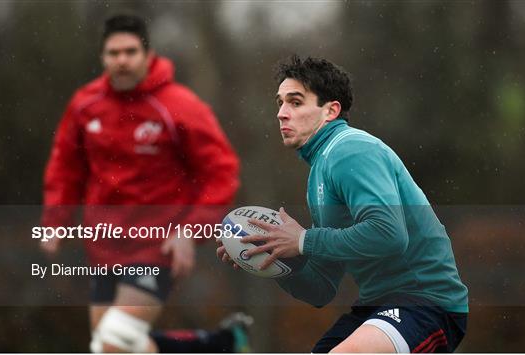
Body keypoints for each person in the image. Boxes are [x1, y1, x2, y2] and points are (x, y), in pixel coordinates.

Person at [217, 55, 468, 353]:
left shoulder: (350, 150)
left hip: (426, 302)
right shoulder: (319, 174)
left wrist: (304, 240)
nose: (282, 113)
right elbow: (322, 288)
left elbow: (389, 234)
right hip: (376, 306)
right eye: (280, 102)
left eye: (295, 102)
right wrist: (274, 260)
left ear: (331, 110)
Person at [42, 14, 252, 353]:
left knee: (115, 342)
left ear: (148, 54)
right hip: (104, 245)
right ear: (102, 57)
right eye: (113, 53)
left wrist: (190, 231)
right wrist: (55, 220)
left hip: (157, 244)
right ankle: (219, 345)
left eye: (130, 52)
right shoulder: (85, 105)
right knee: (112, 346)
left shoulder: (179, 106)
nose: (121, 61)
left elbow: (222, 171)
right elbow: (66, 166)